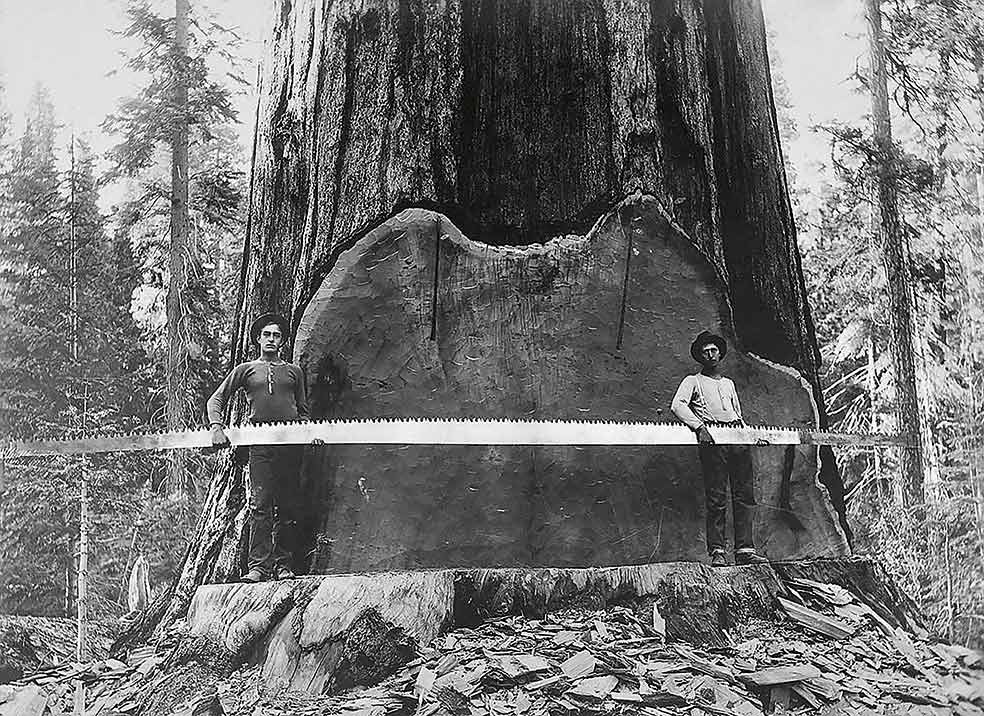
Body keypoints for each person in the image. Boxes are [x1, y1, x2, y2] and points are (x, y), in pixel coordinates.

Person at [207, 312, 310, 583]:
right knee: (260, 505)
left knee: (287, 506)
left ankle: (283, 565)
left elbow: (303, 411)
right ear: (258, 339)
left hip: (289, 445)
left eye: (276, 335)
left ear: (282, 340)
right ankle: (258, 568)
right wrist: (217, 427)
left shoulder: (294, 372)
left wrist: (307, 431)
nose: (271, 339)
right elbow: (216, 400)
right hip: (260, 445)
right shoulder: (246, 370)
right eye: (267, 334)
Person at [671, 330, 768, 567]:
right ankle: (717, 551)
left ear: (720, 353)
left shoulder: (728, 384)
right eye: (705, 352)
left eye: (713, 350)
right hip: (714, 441)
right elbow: (677, 405)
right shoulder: (692, 381)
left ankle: (745, 550)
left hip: (737, 439)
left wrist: (750, 436)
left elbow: (738, 415)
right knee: (716, 497)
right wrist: (700, 427)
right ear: (700, 356)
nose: (710, 355)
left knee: (744, 495)